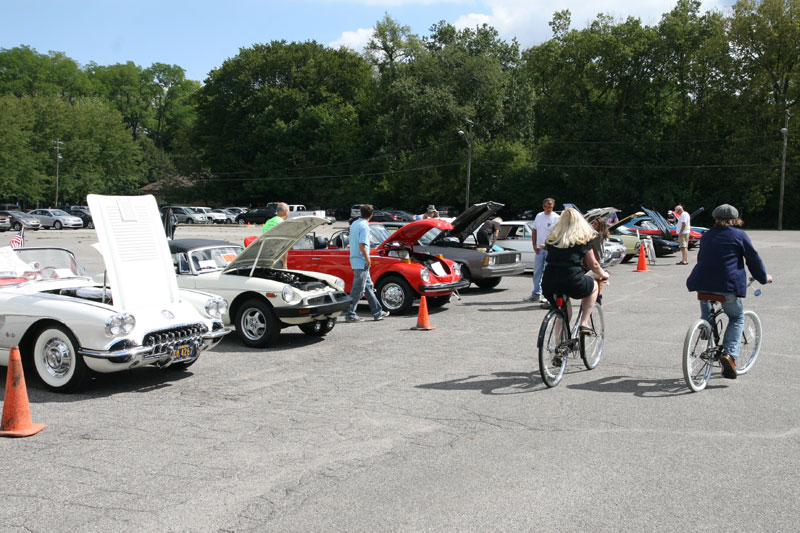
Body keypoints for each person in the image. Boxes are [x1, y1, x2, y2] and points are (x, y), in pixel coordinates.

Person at [686, 204, 771, 379]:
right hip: (727, 285)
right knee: (737, 317)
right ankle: (729, 355)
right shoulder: (739, 235)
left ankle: (705, 326)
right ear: (735, 219)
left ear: (715, 218)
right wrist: (764, 278)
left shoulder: (707, 235)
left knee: (707, 303)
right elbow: (753, 260)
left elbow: (703, 258)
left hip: (701, 282)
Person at [541, 208, 609, 333]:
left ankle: (558, 347)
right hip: (572, 280)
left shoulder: (552, 240)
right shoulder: (581, 240)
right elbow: (594, 264)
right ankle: (584, 322)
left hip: (549, 281)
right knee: (594, 286)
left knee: (563, 313)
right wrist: (603, 274)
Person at [345, 204, 390, 322]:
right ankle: (350, 314)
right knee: (357, 290)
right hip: (362, 261)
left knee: (368, 287)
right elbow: (362, 245)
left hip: (355, 259)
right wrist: (368, 259)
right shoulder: (365, 226)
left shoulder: (354, 224)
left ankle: (377, 312)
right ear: (372, 214)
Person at [524, 198, 560, 303]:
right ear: (543, 206)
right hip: (539, 250)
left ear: (553, 207)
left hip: (550, 250)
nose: (548, 209)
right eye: (546, 206)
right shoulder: (539, 216)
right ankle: (536, 293)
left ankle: (548, 295)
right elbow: (534, 230)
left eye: (550, 207)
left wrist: (551, 247)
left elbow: (557, 235)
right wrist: (534, 245)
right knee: (537, 272)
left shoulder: (556, 218)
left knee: (548, 273)